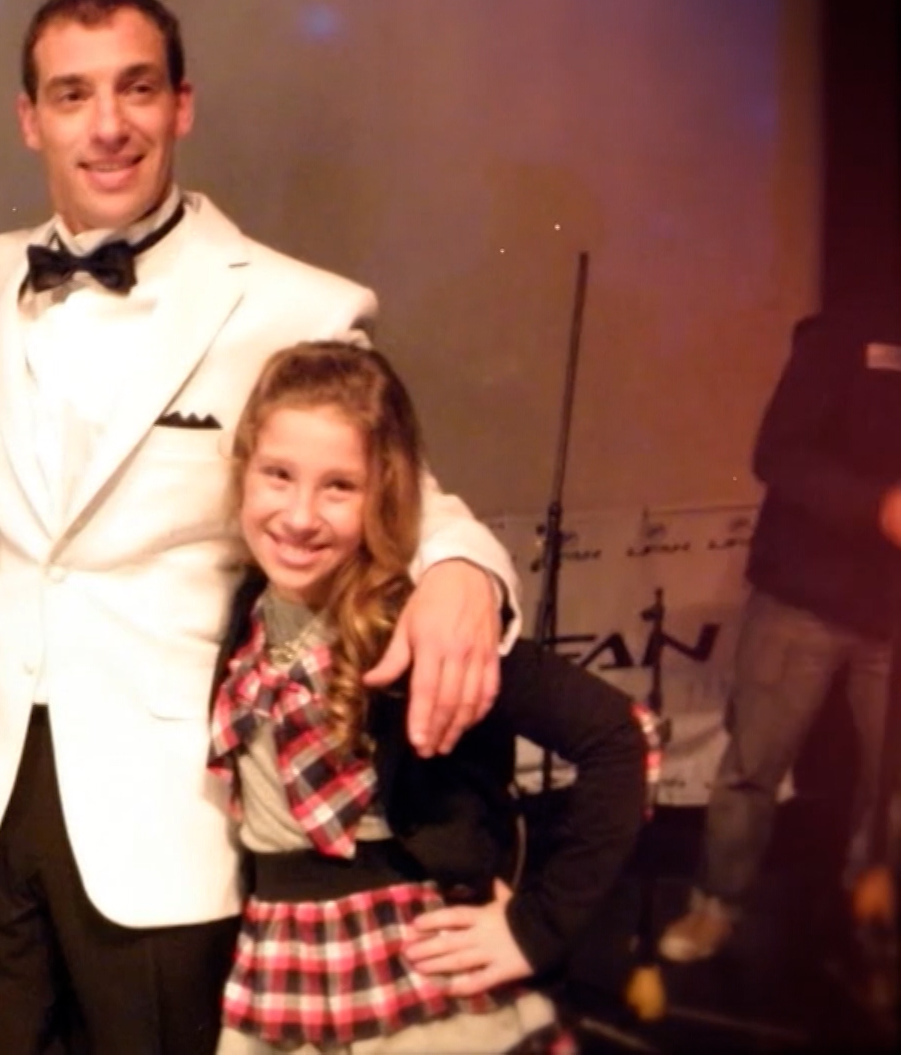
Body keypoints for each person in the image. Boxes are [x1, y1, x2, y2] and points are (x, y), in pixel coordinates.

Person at [0, 0, 523, 1052]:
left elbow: (408, 498)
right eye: (72, 95)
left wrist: (465, 573)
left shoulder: (294, 305)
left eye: (136, 89)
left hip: (163, 820)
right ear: (30, 119)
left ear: (182, 104)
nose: (108, 124)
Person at [208, 341, 648, 1054]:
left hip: (418, 976)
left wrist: (539, 928)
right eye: (278, 475)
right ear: (243, 473)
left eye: (339, 486)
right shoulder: (251, 609)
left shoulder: (416, 620)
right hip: (281, 967)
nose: (299, 515)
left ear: (385, 491)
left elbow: (618, 738)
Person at [659, 311, 901, 963]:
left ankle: (873, 910)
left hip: (894, 610)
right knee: (752, 767)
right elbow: (777, 454)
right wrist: (877, 506)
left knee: (893, 783)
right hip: (803, 596)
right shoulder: (845, 330)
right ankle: (715, 905)